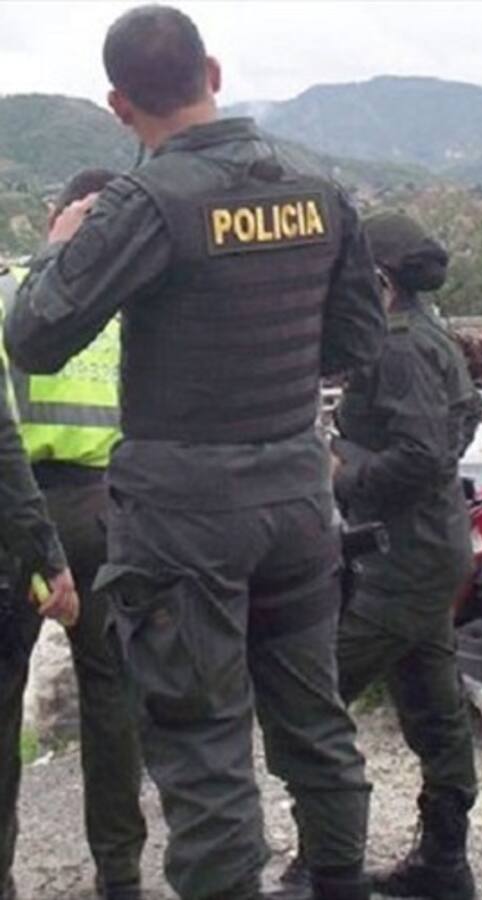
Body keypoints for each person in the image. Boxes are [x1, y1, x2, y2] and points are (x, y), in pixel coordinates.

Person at [4, 6, 386, 899]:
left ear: (117, 104)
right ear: (212, 72)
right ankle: (338, 882)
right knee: (315, 725)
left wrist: (57, 250)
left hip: (183, 519)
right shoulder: (317, 187)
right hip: (295, 498)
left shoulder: (150, 202)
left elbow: (34, 335)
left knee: (204, 745)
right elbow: (357, 340)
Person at [284, 211, 481, 900]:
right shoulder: (430, 336)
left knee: (312, 703)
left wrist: (342, 468)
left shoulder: (397, 347)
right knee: (433, 704)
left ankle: (322, 866)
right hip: (429, 549)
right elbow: (466, 417)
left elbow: (422, 455)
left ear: (377, 280)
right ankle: (444, 864)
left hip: (402, 561)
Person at [0, 170, 146, 900]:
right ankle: (119, 874)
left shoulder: (10, 293)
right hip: (104, 509)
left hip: (14, 510)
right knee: (112, 694)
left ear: (54, 220)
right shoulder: (122, 308)